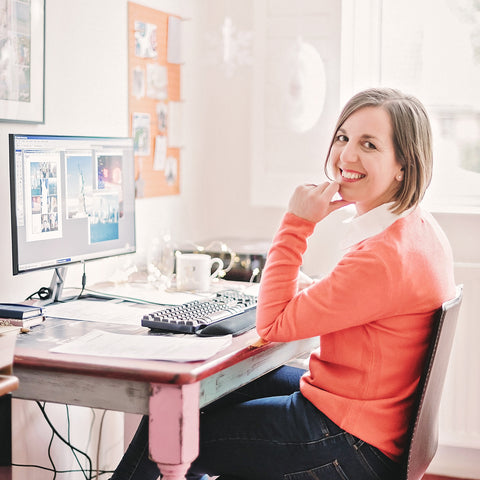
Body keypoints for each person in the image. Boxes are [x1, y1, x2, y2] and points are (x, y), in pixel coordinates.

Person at [110, 87, 456, 480]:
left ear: (403, 165)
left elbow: (271, 325)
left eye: (369, 145)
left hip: (350, 440)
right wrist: (312, 287)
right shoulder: (415, 228)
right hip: (365, 417)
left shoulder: (382, 257)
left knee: (170, 430)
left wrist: (297, 221)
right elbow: (367, 303)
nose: (347, 156)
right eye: (343, 137)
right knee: (190, 397)